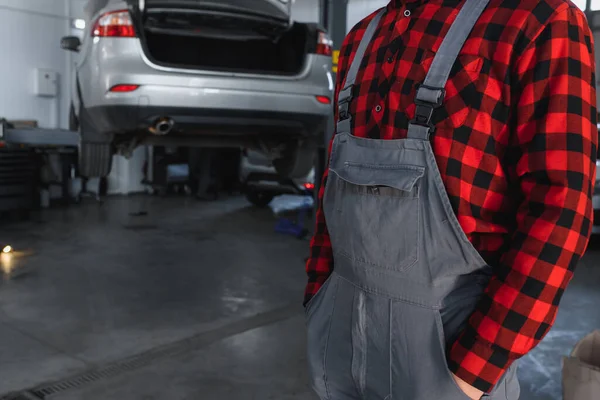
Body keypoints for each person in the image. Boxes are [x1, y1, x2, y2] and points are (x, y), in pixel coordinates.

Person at [304, 1, 597, 399]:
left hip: (448, 359)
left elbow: (561, 207)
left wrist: (475, 368)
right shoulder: (362, 37)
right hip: (338, 345)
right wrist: (318, 298)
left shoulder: (536, 20)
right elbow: (335, 183)